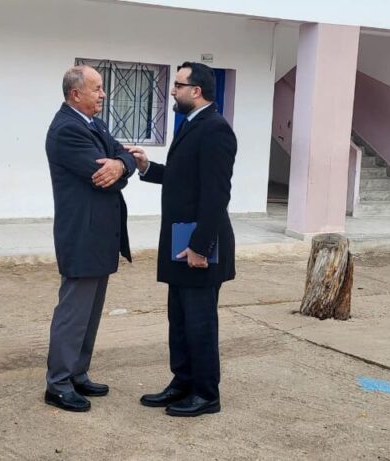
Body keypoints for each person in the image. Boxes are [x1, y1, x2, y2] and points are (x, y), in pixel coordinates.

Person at [130, 62, 237, 417]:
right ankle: (182, 382)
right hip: (180, 240)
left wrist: (199, 246)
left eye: (178, 85)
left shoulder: (216, 130)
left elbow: (216, 194)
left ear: (197, 91)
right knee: (180, 319)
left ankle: (205, 394)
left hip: (199, 244)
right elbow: (183, 177)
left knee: (199, 323)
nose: (172, 91)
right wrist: (147, 167)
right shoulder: (192, 124)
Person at [43, 65, 137, 412]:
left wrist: (121, 164)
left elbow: (123, 156)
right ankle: (58, 383)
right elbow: (105, 177)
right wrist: (120, 169)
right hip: (82, 234)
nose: (103, 94)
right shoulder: (67, 129)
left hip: (100, 235)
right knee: (74, 312)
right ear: (75, 94)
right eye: (96, 88)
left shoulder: (94, 124)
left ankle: (77, 373)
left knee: (91, 312)